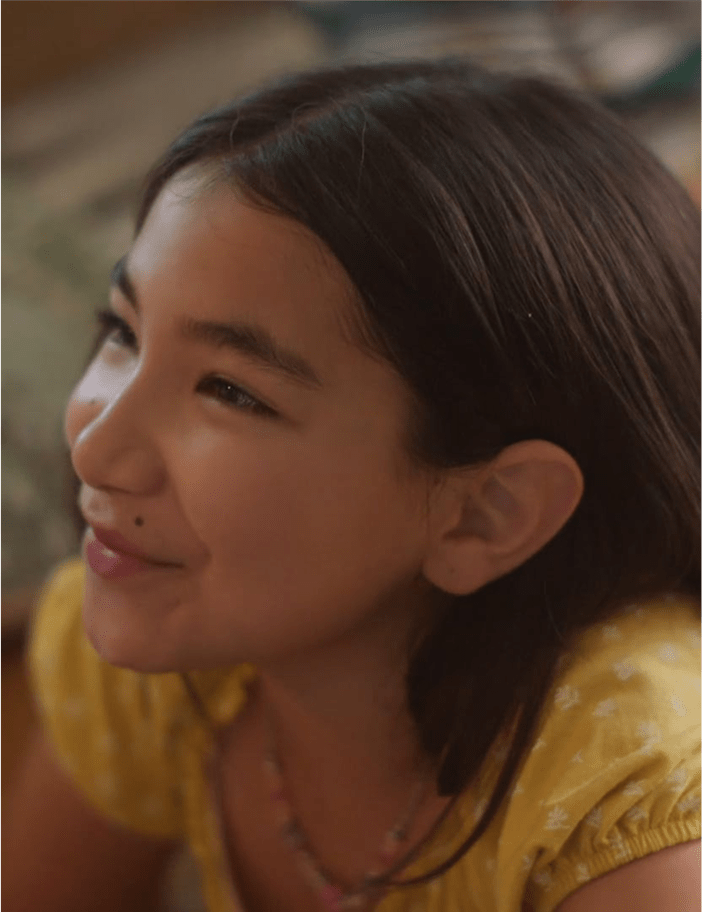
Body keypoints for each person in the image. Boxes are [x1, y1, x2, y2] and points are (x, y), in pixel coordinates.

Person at [2, 58, 699, 913]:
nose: (96, 445)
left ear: (484, 512)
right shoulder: (164, 656)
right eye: (123, 330)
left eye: (230, 389)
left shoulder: (628, 806)